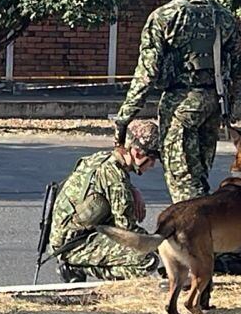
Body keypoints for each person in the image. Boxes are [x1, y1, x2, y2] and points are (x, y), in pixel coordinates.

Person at [113, 0, 241, 205]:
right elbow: (239, 69)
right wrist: (227, 103)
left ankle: (197, 243)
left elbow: (147, 72)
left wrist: (124, 118)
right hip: (213, 103)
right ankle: (209, 238)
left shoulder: (163, 17)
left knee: (185, 189)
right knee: (199, 179)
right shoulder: (222, 15)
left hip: (179, 107)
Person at [49, 119, 163, 282]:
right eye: (153, 157)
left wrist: (133, 190)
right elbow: (128, 233)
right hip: (75, 244)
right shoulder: (116, 182)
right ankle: (75, 267)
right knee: (146, 260)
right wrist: (163, 244)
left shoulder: (102, 159)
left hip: (68, 236)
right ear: (137, 152)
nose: (152, 165)